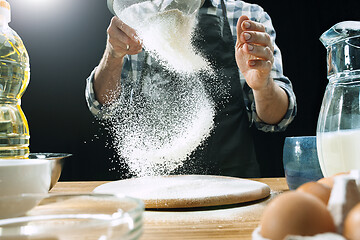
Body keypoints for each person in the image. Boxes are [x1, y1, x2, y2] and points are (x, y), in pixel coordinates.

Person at [86, 0, 297, 178]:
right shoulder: (137, 18)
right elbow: (103, 106)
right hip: (156, 184)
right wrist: (112, 55)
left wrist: (263, 85)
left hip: (233, 182)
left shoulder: (247, 16)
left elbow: (278, 118)